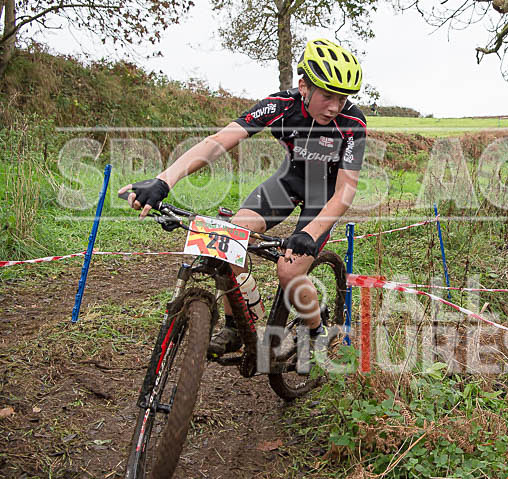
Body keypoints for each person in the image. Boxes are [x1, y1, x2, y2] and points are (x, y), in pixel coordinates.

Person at [118, 38, 366, 357]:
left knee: (289, 272)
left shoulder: (352, 122)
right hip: (289, 181)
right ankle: (237, 326)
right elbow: (219, 141)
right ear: (304, 86)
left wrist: (309, 233)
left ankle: (316, 329)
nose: (335, 107)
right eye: (327, 95)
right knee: (228, 241)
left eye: (342, 98)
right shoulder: (281, 106)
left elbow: (345, 190)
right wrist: (164, 180)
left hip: (325, 195)